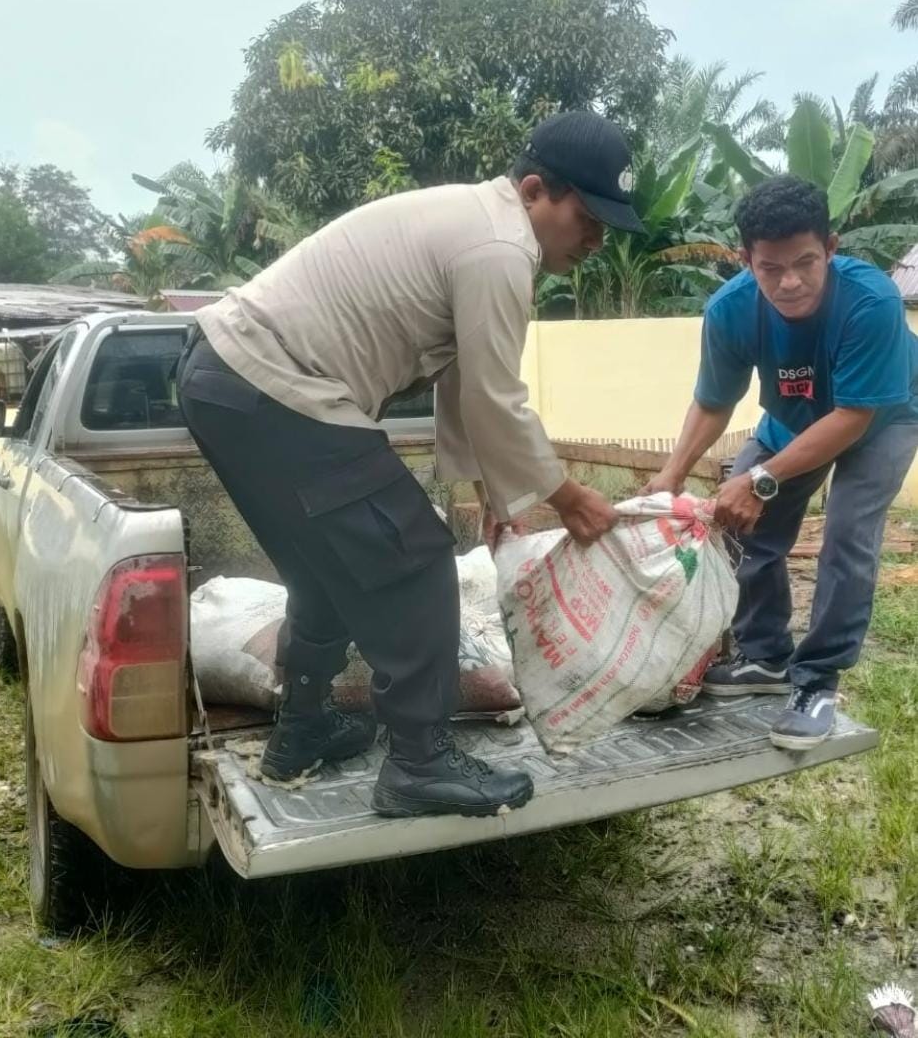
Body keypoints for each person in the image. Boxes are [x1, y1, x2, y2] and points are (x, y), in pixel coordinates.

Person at [176, 110, 643, 817]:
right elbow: (495, 395)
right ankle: (419, 763)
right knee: (417, 562)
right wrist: (567, 496)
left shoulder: (475, 222)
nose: (596, 240)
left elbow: (462, 383)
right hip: (278, 383)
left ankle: (304, 727)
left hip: (219, 380)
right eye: (588, 217)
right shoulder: (499, 247)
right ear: (534, 190)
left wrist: (493, 491)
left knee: (324, 568)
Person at [643, 175, 918, 751]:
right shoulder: (730, 310)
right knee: (739, 525)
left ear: (831, 249)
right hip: (794, 417)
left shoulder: (871, 301)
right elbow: (713, 402)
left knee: (848, 532)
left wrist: (762, 478)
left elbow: (853, 418)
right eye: (770, 268)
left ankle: (816, 679)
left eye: (805, 262)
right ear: (746, 260)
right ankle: (766, 656)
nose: (790, 282)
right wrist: (671, 474)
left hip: (884, 416)